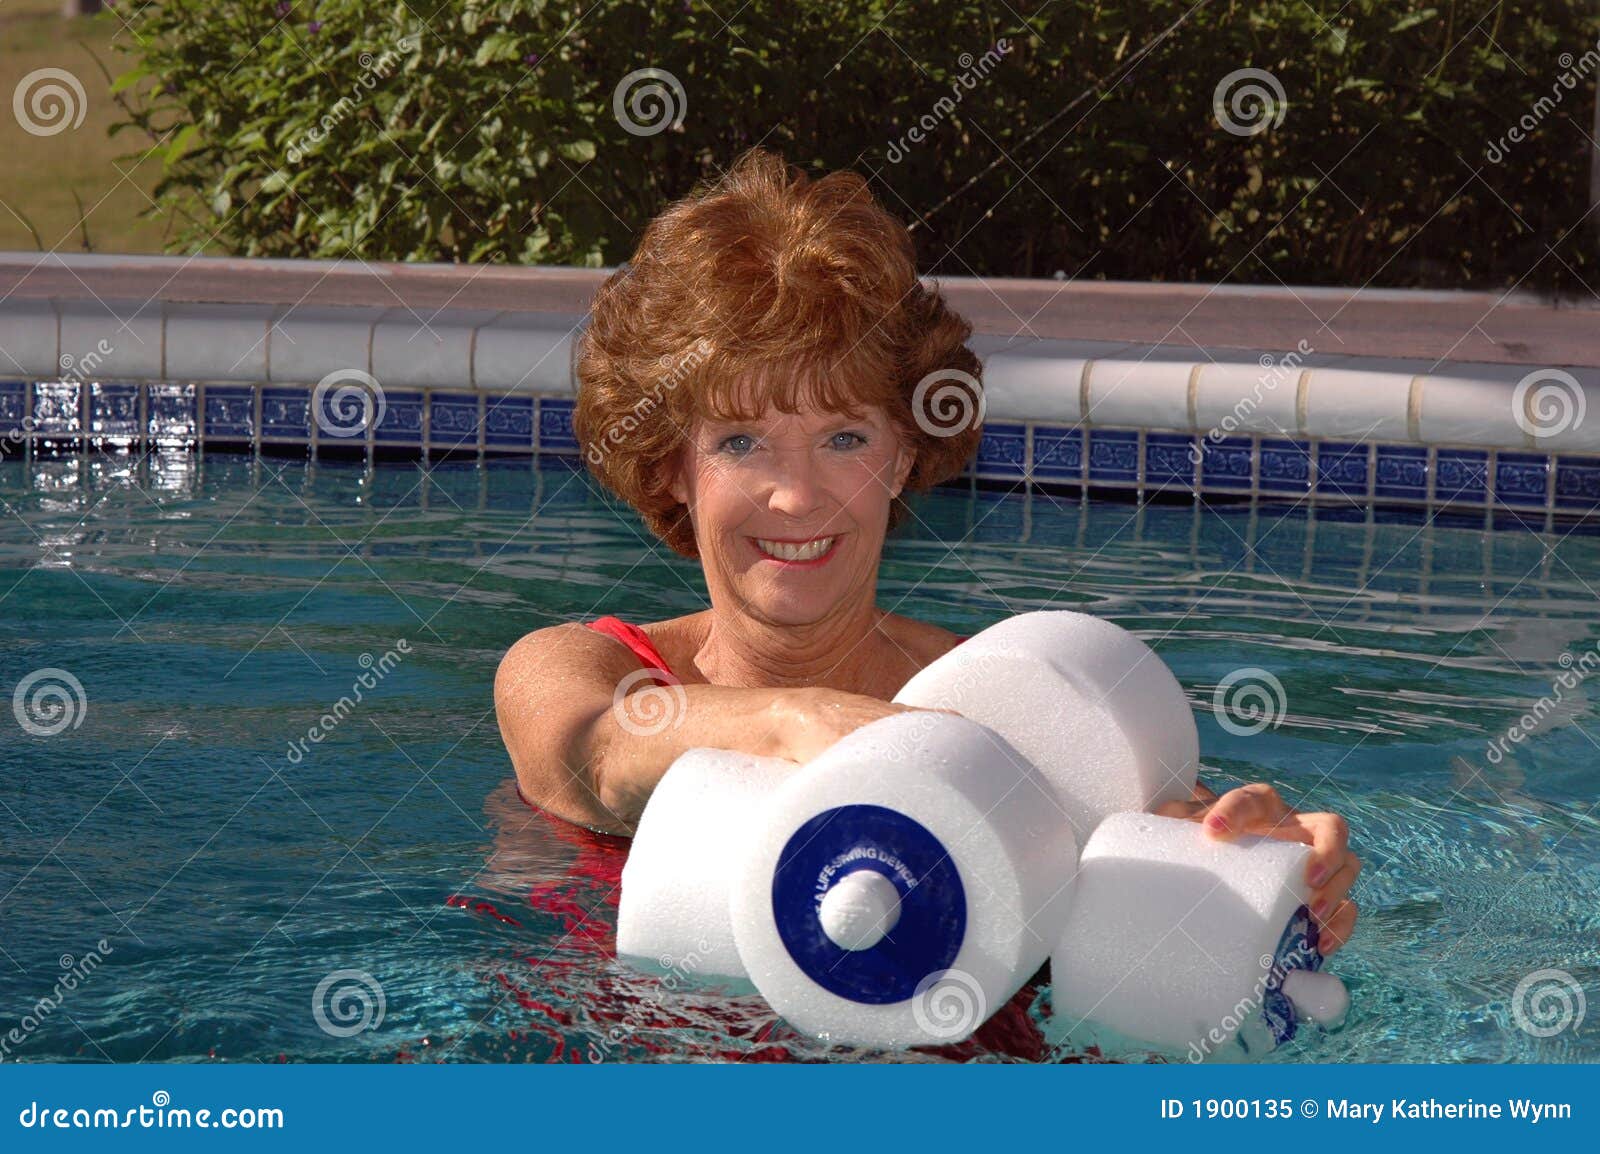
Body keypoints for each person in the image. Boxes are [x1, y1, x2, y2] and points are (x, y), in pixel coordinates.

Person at [493, 147, 1360, 958]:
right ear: (672, 465)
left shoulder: (1005, 706)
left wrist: (1260, 872)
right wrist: (809, 723)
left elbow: (1157, 889)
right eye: (741, 443)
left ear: (904, 453)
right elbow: (596, 756)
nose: (796, 496)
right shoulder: (585, 669)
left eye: (842, 438)